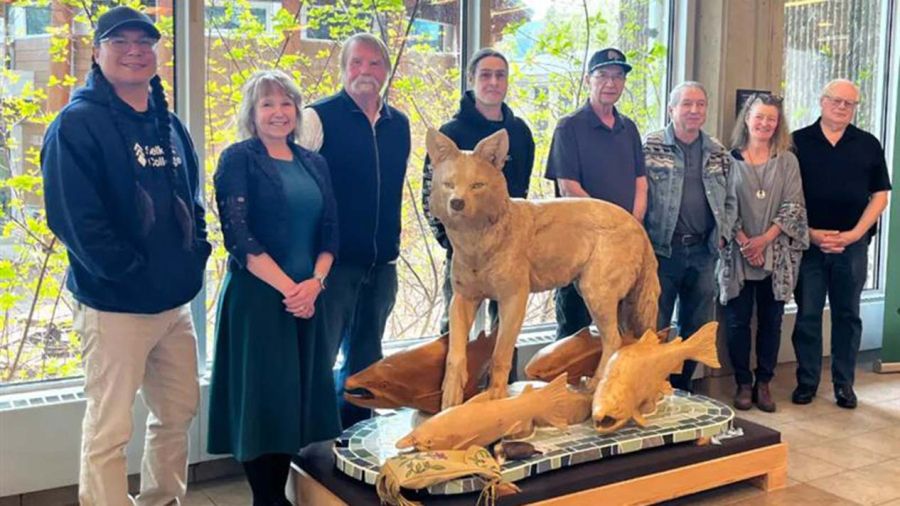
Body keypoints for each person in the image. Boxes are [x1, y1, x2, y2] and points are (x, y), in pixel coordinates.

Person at [40, 7, 211, 504]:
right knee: (109, 430)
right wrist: (129, 272)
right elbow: (75, 220)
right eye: (120, 42)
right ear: (97, 52)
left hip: (173, 306)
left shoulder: (169, 124)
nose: (134, 51)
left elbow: (192, 199)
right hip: (114, 306)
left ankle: (163, 500)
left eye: (144, 42)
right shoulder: (76, 126)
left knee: (177, 414)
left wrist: (194, 257)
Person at [206, 70, 339, 505]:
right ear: (252, 112)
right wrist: (291, 290)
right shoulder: (238, 159)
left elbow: (331, 232)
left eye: (286, 103)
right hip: (259, 300)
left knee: (290, 400)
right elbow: (238, 235)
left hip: (308, 298)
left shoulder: (314, 162)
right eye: (267, 104)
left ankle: (278, 496)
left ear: (297, 111)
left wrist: (314, 284)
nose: (278, 112)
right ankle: (266, 498)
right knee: (262, 401)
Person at [299, 33, 411, 428]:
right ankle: (312, 442)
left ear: (386, 70)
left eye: (374, 63)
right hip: (332, 264)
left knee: (367, 363)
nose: (365, 70)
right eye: (356, 62)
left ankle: (353, 439)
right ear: (343, 69)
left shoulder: (399, 125)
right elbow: (295, 186)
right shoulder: (317, 118)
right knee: (320, 356)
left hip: (382, 265)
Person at [791, 79, 892, 409]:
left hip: (853, 245)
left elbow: (880, 196)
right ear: (822, 101)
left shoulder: (868, 144)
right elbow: (787, 197)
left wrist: (855, 234)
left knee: (848, 316)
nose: (842, 107)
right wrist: (810, 233)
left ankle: (844, 384)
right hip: (809, 245)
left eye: (849, 103)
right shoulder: (797, 142)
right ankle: (807, 382)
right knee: (808, 314)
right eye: (836, 100)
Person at [422, 47, 535, 334]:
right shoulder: (450, 134)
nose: (493, 82)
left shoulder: (520, 133)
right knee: (454, 331)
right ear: (471, 78)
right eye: (485, 75)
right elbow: (431, 196)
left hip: (508, 252)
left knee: (506, 329)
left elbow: (521, 192)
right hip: (462, 252)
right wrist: (453, 244)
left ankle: (501, 366)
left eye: (500, 75)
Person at [545, 47, 647, 340]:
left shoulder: (629, 128)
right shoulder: (569, 126)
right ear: (588, 79)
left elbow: (641, 183)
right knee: (573, 333)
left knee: (620, 330)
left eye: (618, 76)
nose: (611, 83)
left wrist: (630, 227)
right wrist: (611, 228)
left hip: (621, 247)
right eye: (603, 75)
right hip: (579, 247)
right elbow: (569, 188)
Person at [643, 81, 736, 392]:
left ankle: (682, 388)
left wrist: (722, 236)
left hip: (703, 251)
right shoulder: (651, 146)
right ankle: (654, 387)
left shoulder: (717, 151)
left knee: (696, 326)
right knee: (654, 326)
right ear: (672, 109)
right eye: (686, 104)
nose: (694, 110)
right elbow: (639, 195)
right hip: (661, 251)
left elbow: (731, 199)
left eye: (700, 104)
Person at [720, 93, 809, 412]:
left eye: (771, 119)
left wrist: (764, 240)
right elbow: (722, 206)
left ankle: (764, 383)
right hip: (738, 255)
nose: (765, 123)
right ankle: (743, 383)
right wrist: (746, 242)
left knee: (772, 322)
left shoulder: (788, 161)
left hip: (777, 254)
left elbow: (794, 206)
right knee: (737, 322)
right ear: (747, 119)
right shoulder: (727, 161)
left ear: (778, 123)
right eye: (759, 117)